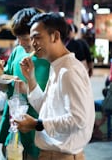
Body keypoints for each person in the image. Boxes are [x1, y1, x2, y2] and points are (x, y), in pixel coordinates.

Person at [16, 13, 95, 160]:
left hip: (62, 156)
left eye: (37, 37)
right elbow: (47, 110)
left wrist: (37, 124)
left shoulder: (68, 71)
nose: (33, 43)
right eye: (31, 38)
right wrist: (31, 79)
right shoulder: (57, 67)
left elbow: (78, 119)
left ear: (55, 36)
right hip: (51, 154)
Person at [0, 7, 50, 160]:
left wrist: (27, 89)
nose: (22, 43)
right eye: (18, 38)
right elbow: (4, 87)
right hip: (13, 123)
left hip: (38, 126)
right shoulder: (18, 51)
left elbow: (54, 101)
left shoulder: (49, 58)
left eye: (26, 38)